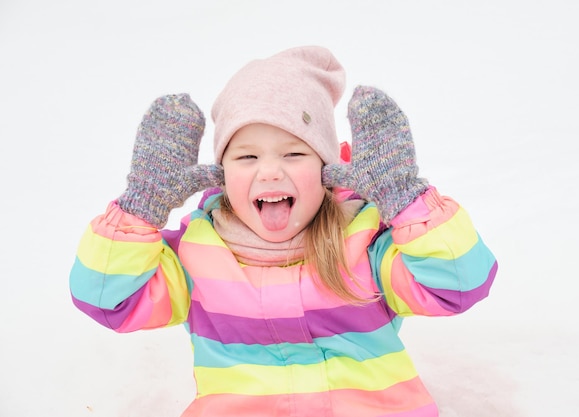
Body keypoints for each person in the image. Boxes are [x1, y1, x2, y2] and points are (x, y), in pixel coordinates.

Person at [69, 45, 498, 417]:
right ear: (219, 174)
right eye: (246, 157)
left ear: (327, 167)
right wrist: (140, 209)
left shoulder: (364, 244)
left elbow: (459, 286)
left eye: (294, 152)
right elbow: (109, 301)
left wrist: (406, 201)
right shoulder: (196, 256)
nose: (269, 171)